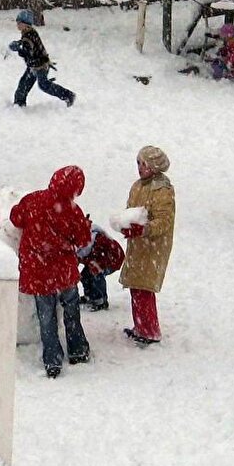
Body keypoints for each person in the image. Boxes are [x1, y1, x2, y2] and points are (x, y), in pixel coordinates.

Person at [10, 166, 93, 378]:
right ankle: (77, 350)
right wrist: (84, 226)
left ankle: (52, 360)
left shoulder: (33, 200)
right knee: (71, 308)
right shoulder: (73, 211)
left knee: (46, 316)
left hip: (38, 271)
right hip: (63, 271)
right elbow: (83, 240)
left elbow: (15, 218)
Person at [118, 146, 176, 346]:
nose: (140, 168)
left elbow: (164, 221)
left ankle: (149, 329)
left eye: (144, 164)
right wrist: (126, 223)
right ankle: (141, 325)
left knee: (144, 288)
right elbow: (131, 210)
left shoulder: (162, 190)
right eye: (138, 163)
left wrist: (144, 230)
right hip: (138, 246)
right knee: (136, 286)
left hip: (152, 247)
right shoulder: (137, 186)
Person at [9, 10, 76, 108]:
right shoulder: (27, 33)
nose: (17, 25)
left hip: (40, 66)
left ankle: (68, 95)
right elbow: (25, 46)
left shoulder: (30, 34)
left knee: (44, 85)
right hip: (33, 65)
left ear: (25, 24)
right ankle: (19, 104)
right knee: (23, 85)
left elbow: (27, 49)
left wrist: (18, 47)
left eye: (19, 23)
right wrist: (19, 44)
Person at [77, 224, 125, 312]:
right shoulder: (83, 244)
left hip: (112, 260)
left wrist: (96, 266)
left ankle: (101, 300)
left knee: (96, 275)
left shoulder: (97, 240)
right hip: (95, 259)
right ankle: (89, 296)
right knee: (84, 275)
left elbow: (104, 258)